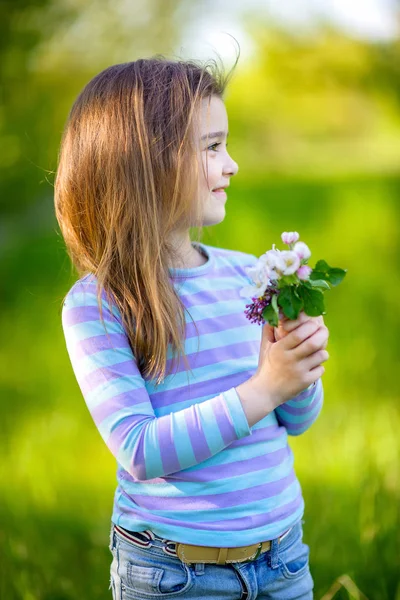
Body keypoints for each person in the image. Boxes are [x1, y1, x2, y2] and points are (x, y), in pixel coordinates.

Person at [55, 56, 329, 600]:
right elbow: (139, 448)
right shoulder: (101, 304)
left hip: (282, 557)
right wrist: (264, 386)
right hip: (176, 573)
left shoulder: (249, 276)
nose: (232, 165)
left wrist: (299, 370)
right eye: (212, 146)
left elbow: (295, 420)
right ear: (146, 162)